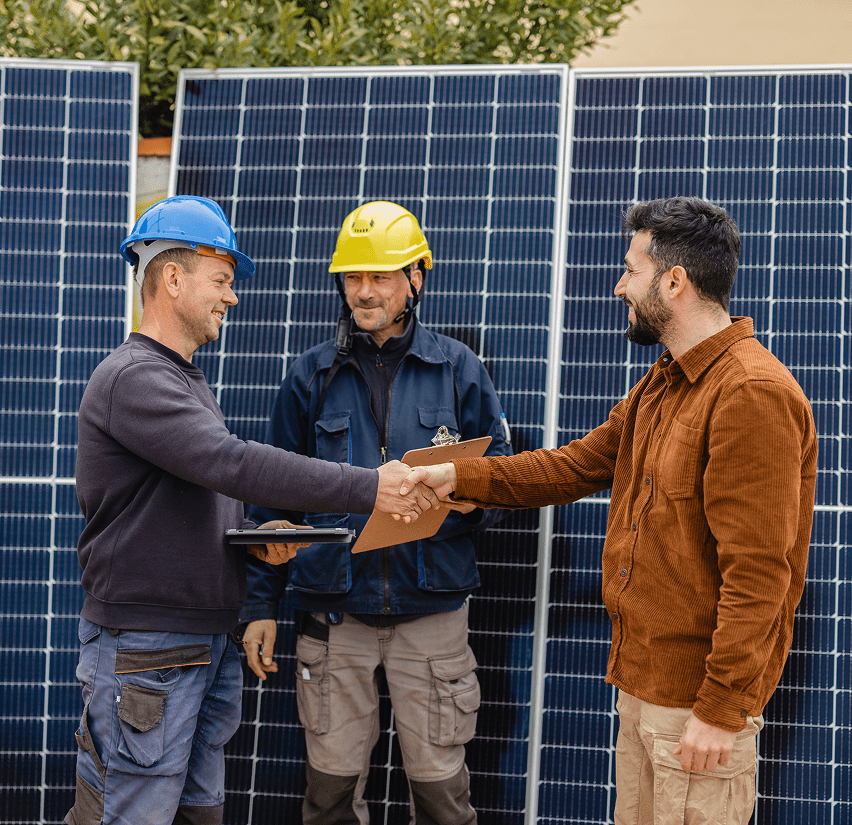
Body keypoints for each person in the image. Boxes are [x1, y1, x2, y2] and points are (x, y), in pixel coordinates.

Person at [400, 196, 818, 825]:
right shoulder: (663, 383)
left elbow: (761, 577)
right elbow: (570, 467)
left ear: (673, 281)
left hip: (697, 709)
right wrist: (455, 475)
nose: (620, 286)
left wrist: (719, 711)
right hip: (645, 686)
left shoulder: (751, 394)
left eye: (631, 270)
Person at [65, 195, 436, 825]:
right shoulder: (134, 378)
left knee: (198, 814)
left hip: (199, 644)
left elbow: (193, 495)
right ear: (173, 277)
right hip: (150, 651)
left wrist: (252, 536)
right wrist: (371, 485)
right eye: (222, 281)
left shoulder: (183, 380)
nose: (231, 298)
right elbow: (231, 463)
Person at [240, 200, 512, 824]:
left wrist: (468, 500)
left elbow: (502, 481)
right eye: (352, 276)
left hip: (433, 616)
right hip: (334, 617)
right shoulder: (308, 377)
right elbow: (271, 504)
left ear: (416, 277)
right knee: (329, 796)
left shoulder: (459, 371)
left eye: (379, 276)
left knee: (443, 798)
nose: (362, 291)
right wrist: (259, 606)